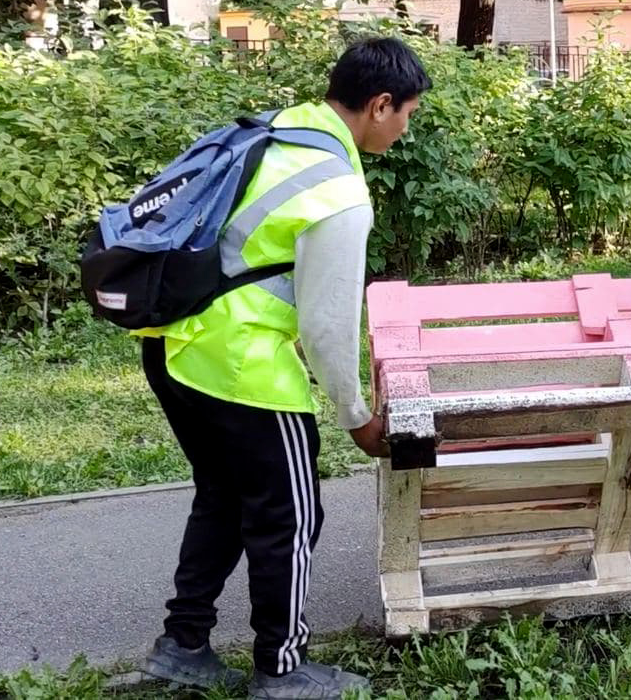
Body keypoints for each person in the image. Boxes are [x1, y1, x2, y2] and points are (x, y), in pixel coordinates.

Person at [137, 37, 431, 697]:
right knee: (291, 515)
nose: (406, 128)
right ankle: (282, 668)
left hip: (171, 342)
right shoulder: (339, 190)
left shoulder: (278, 130)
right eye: (407, 113)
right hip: (240, 366)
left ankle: (182, 644)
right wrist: (356, 417)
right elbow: (328, 327)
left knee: (222, 495)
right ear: (379, 105)